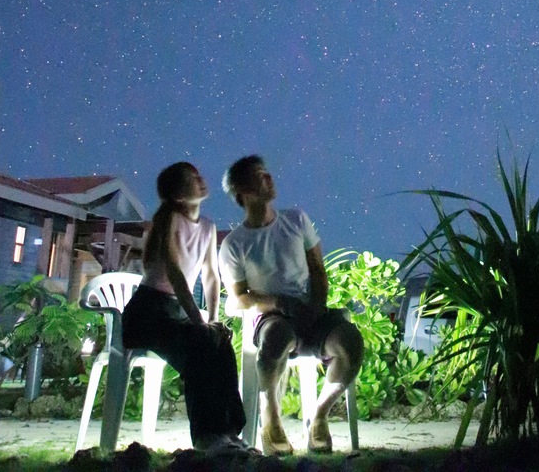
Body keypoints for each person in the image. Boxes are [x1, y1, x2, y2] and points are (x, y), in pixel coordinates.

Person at [219, 156, 363, 456]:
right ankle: (270, 417)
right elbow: (239, 297)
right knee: (275, 338)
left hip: (310, 310)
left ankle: (319, 415)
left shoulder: (296, 220)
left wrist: (317, 306)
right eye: (260, 176)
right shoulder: (235, 243)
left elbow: (318, 269)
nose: (269, 179)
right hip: (272, 316)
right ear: (241, 190)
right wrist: (276, 302)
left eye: (268, 173)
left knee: (351, 342)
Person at [122, 162, 247, 453]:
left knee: (221, 344)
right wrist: (200, 323)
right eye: (193, 178)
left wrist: (213, 321)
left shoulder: (207, 227)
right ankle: (207, 437)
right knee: (201, 347)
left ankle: (230, 432)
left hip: (176, 311)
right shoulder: (169, 221)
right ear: (178, 195)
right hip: (147, 312)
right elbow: (176, 275)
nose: (202, 180)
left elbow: (212, 277)